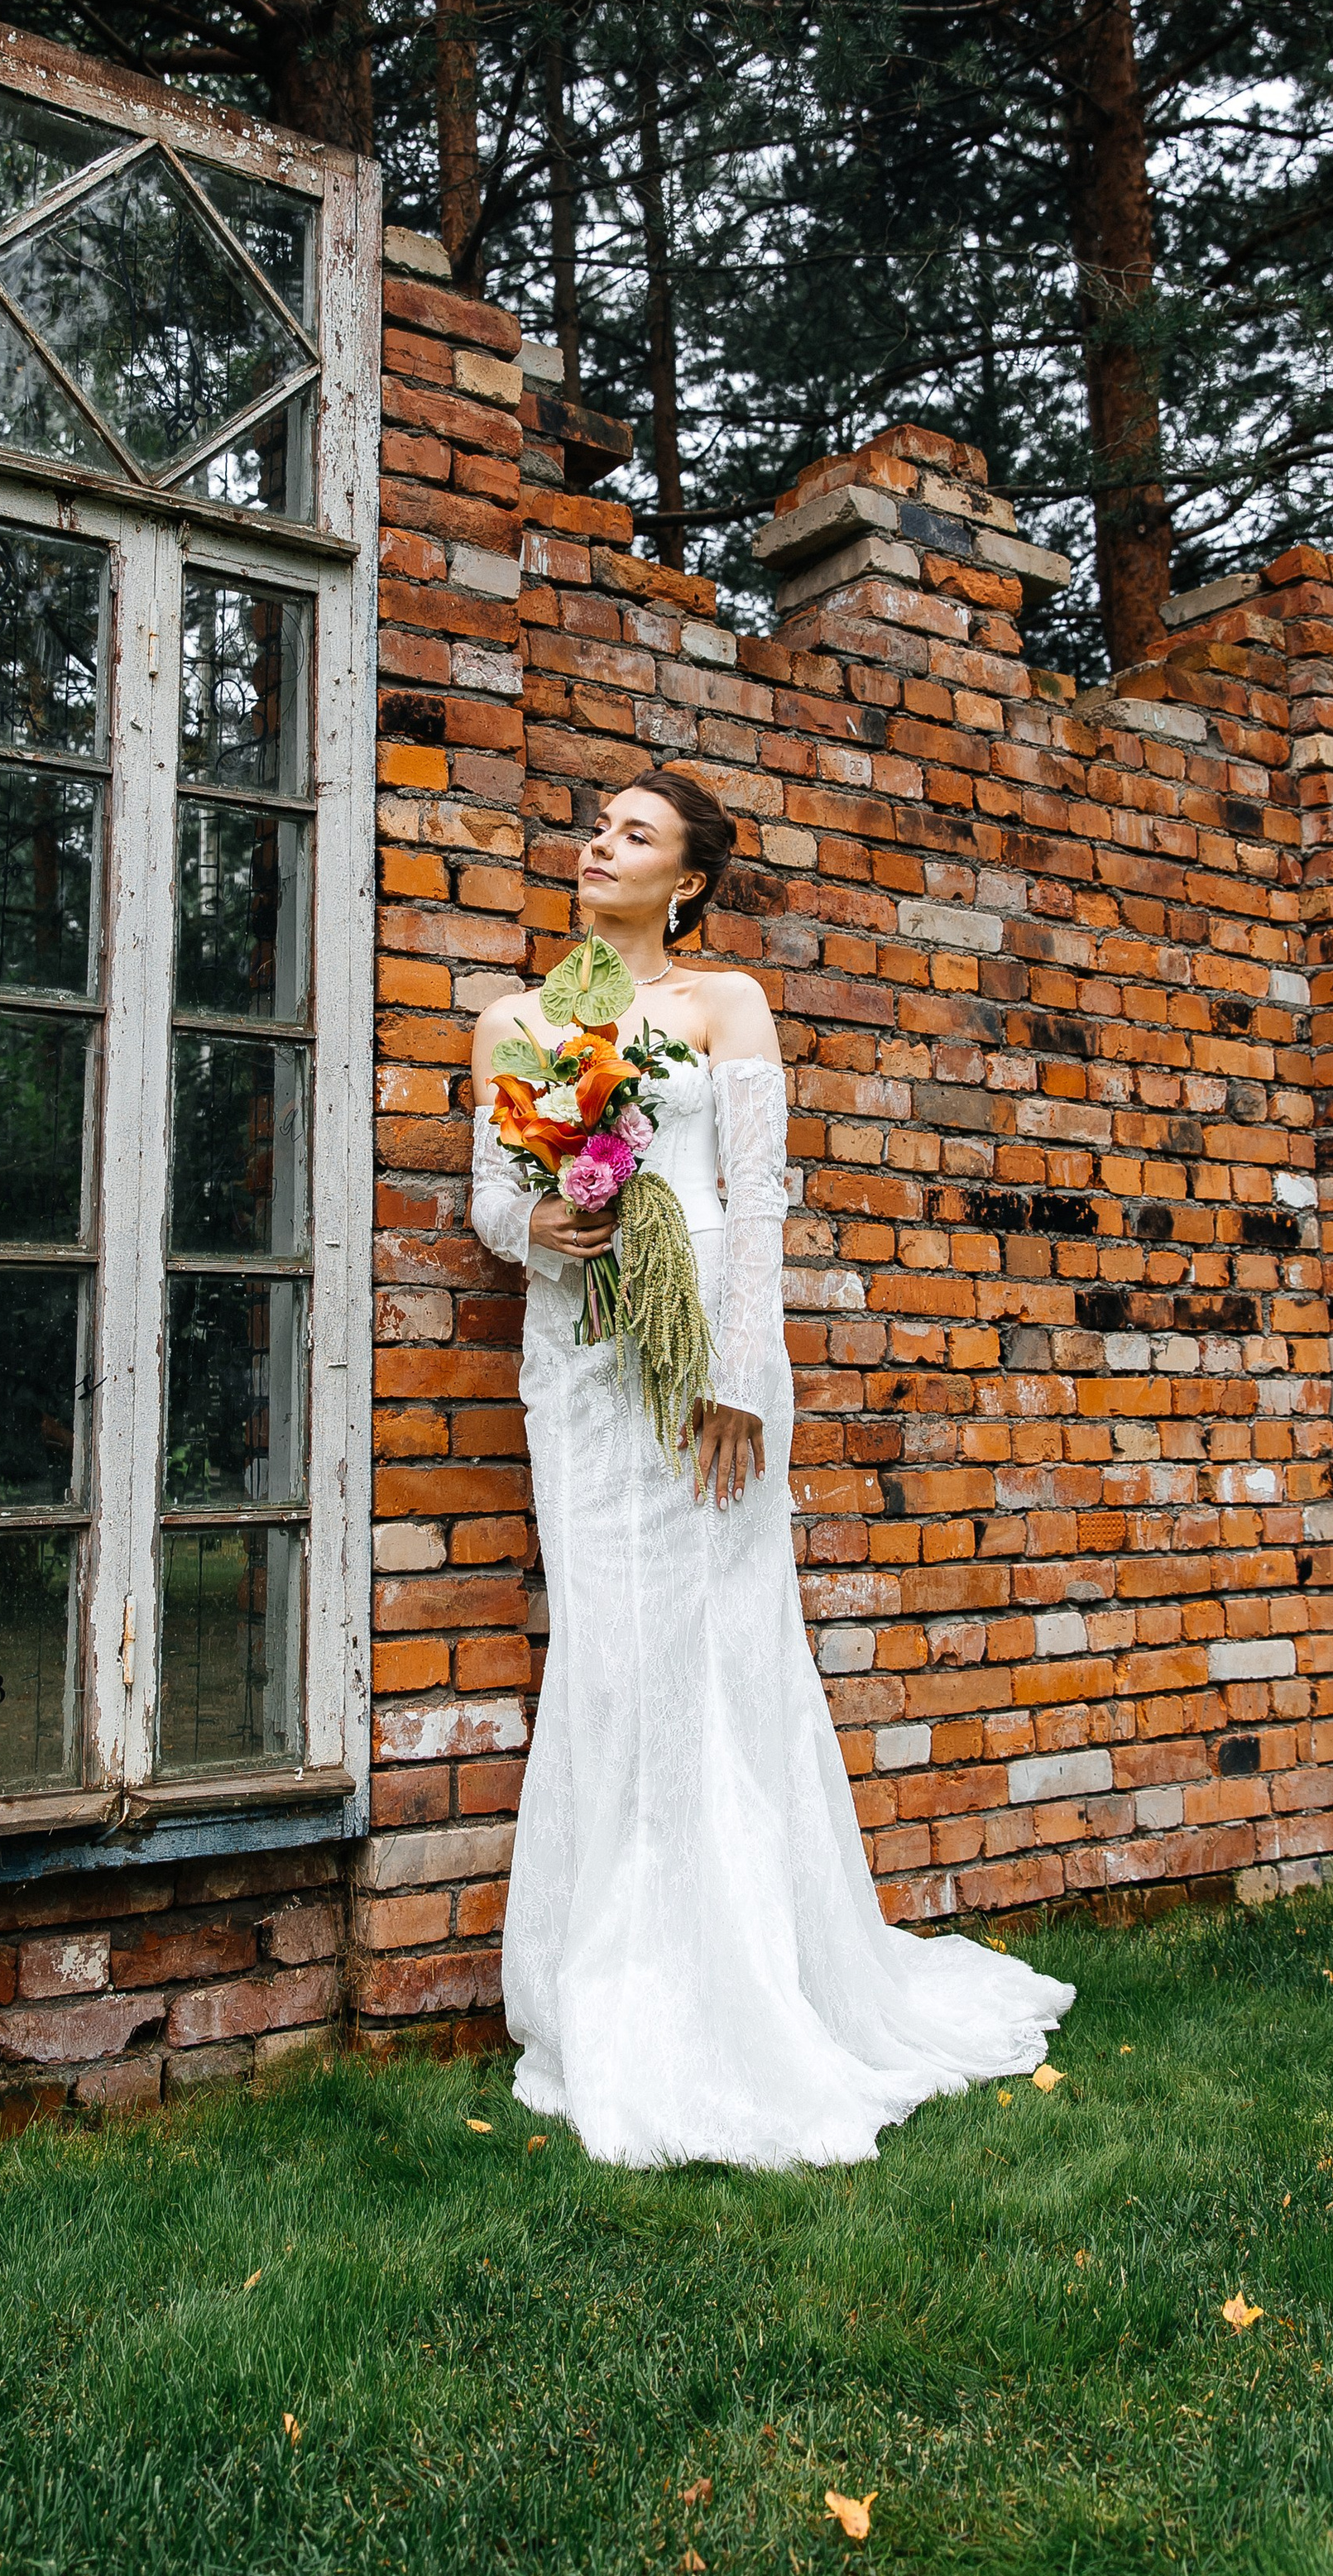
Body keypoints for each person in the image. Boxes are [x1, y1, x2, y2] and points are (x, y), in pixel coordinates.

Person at [468, 767, 1075, 2169]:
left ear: (687, 878)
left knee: (717, 1654)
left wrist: (742, 1376)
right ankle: (607, 1976)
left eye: (632, 833)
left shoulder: (722, 1004)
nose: (597, 844)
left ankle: (743, 1973)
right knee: (609, 1655)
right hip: (582, 1366)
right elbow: (492, 1195)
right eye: (593, 824)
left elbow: (756, 1195)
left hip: (706, 1376)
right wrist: (536, 1223)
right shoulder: (518, 1019)